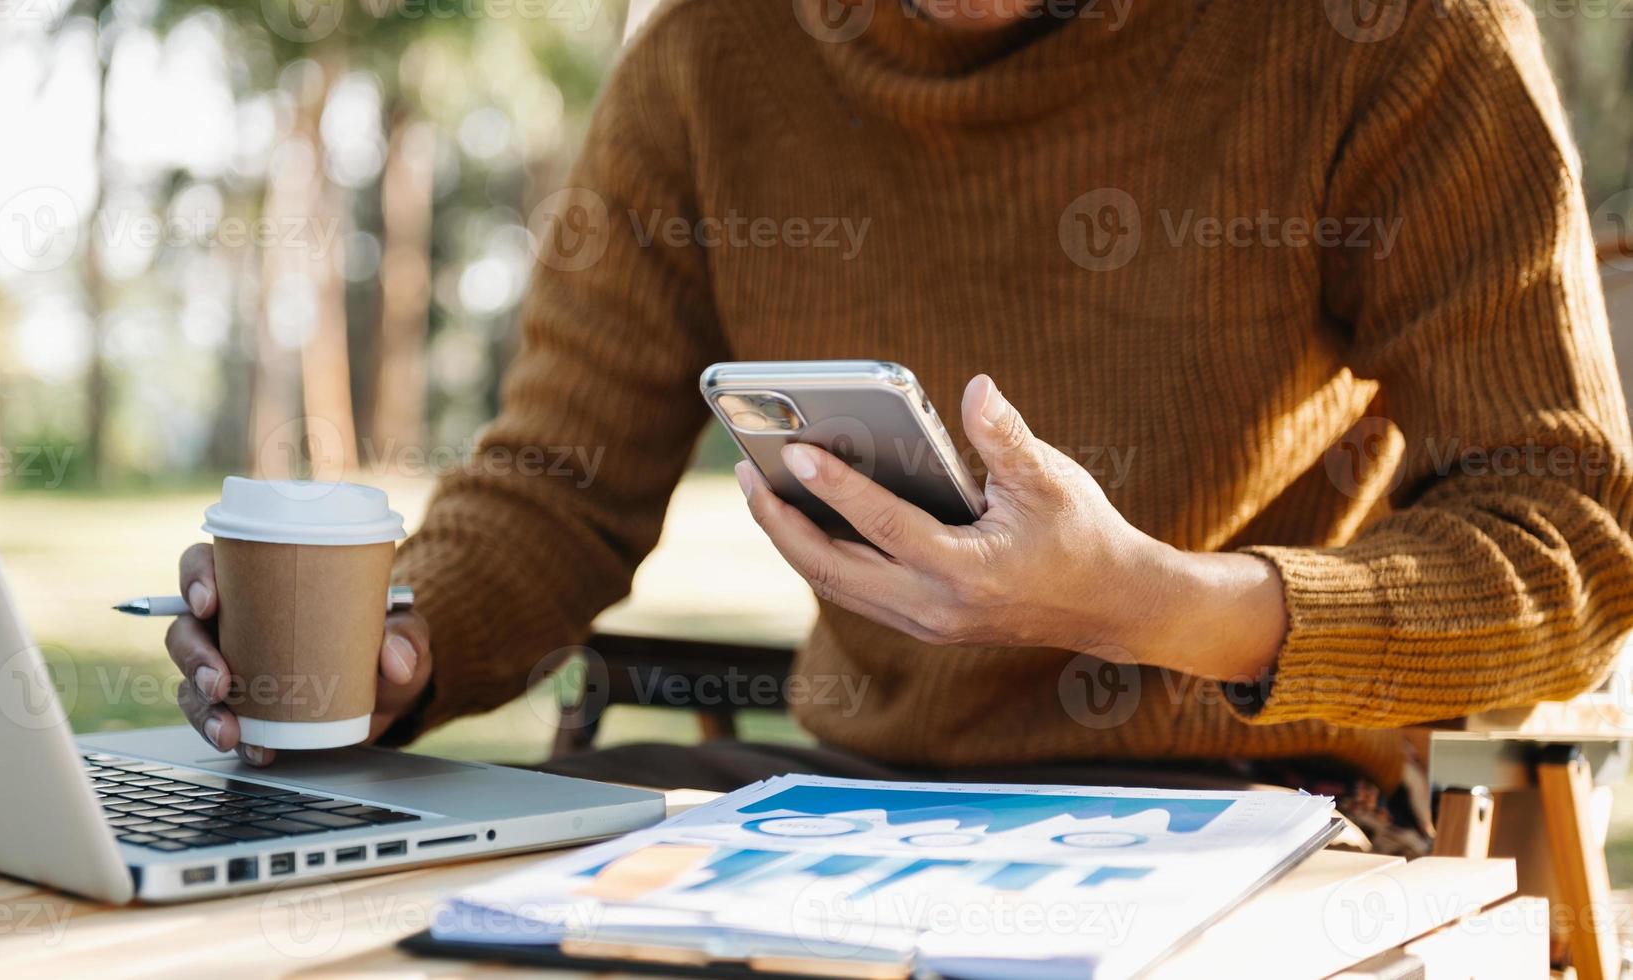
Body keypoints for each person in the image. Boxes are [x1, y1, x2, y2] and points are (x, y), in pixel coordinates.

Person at [167, 0, 1633, 848]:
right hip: (844, 822)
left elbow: (1574, 531)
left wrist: (1161, 610)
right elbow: (557, 480)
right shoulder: (707, 61)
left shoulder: (1392, 36)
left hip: (1261, 815)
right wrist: (401, 640)